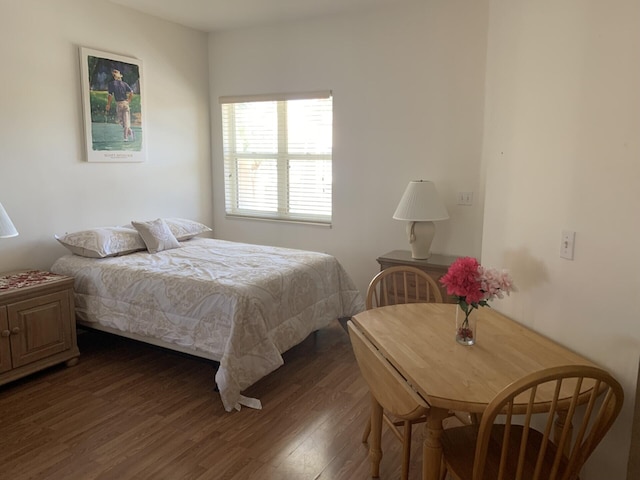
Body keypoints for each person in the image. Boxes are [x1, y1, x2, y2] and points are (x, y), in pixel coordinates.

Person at [105, 69, 134, 141]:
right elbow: (131, 92)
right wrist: (129, 100)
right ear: (120, 76)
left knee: (122, 122)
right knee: (125, 121)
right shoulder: (124, 84)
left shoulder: (112, 84)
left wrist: (108, 104)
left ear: (114, 76)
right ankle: (130, 132)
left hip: (119, 104)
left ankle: (125, 137)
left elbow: (110, 95)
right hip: (125, 103)